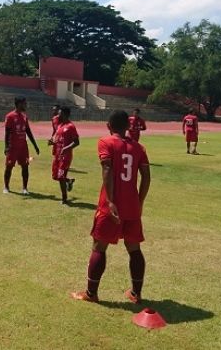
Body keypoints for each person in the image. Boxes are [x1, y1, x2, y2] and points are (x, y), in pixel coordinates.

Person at [71, 110, 151, 304]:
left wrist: (111, 201)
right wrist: (139, 201)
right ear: (128, 126)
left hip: (111, 206)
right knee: (134, 248)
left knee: (99, 246)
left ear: (108, 125)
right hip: (132, 206)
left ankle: (91, 294)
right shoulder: (139, 148)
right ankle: (136, 294)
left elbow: (107, 168)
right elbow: (146, 177)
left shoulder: (105, 142)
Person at [3, 96, 40, 195]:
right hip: (13, 147)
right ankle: (6, 187)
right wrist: (6, 146)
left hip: (23, 147)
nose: (26, 105)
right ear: (19, 104)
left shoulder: (24, 116)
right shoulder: (10, 116)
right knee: (9, 167)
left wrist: (35, 145)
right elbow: (7, 132)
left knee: (25, 166)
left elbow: (28, 131)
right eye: (24, 103)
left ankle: (25, 188)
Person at [49, 106, 80, 204]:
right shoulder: (59, 125)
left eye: (60, 113)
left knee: (61, 176)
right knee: (55, 176)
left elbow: (76, 142)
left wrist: (66, 148)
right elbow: (58, 140)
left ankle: (64, 198)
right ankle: (69, 181)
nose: (58, 115)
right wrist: (52, 142)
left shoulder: (71, 126)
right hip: (57, 155)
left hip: (65, 157)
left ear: (65, 114)